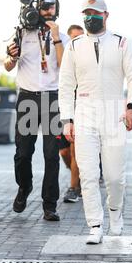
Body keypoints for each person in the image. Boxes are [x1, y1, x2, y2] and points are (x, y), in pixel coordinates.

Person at [59, 0, 132, 244]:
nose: (89, 17)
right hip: (85, 112)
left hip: (114, 112)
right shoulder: (74, 46)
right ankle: (95, 225)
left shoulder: (123, 43)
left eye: (95, 12)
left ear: (106, 15)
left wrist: (131, 107)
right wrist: (67, 119)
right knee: (88, 174)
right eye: (86, 13)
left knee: (115, 176)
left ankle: (115, 214)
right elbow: (65, 85)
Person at [5, 0, 69, 221]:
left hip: (52, 99)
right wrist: (11, 59)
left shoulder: (62, 38)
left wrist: (56, 38)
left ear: (57, 10)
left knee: (51, 154)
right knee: (23, 153)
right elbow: (7, 65)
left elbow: (65, 65)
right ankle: (24, 187)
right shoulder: (22, 33)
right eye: (44, 8)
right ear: (37, 9)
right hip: (28, 98)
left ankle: (49, 205)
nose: (48, 12)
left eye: (52, 8)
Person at [60, 25, 83, 203]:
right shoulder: (64, 51)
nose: (78, 40)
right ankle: (80, 175)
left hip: (80, 108)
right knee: (64, 153)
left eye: (80, 37)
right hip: (60, 105)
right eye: (74, 37)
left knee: (76, 151)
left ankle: (74, 187)